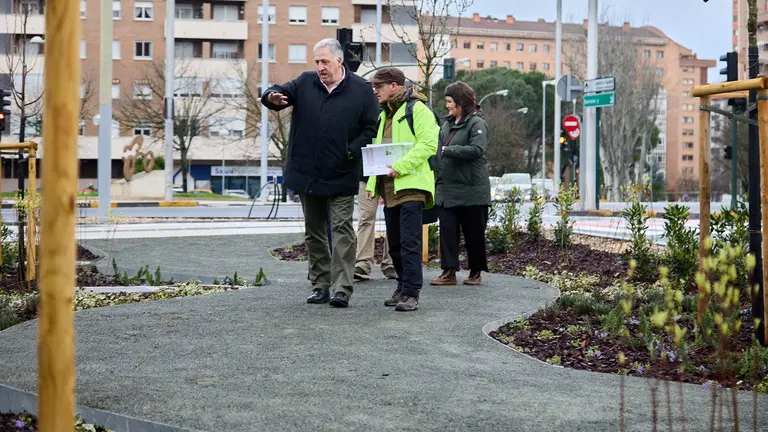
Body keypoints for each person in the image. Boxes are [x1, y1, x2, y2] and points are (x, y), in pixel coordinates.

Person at [261, 38, 379, 308]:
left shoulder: (362, 90)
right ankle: (320, 285)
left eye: (325, 61)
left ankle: (342, 288)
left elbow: (370, 128)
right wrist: (271, 97)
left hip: (341, 171)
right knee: (313, 231)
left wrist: (350, 151)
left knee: (342, 230)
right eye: (316, 62)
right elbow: (278, 92)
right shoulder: (305, 82)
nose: (320, 67)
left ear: (339, 61)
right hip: (307, 172)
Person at [365, 68, 439, 312]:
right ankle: (401, 285)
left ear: (394, 86)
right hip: (389, 189)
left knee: (410, 242)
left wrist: (401, 166)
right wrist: (372, 185)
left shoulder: (417, 110)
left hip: (412, 186)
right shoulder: (383, 115)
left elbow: (428, 144)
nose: (375, 91)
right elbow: (379, 152)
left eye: (379, 86)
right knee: (394, 245)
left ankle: (411, 292)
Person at [430, 81, 491, 286]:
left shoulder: (477, 123)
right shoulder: (446, 125)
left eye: (449, 101)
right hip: (447, 190)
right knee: (447, 232)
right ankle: (449, 272)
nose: (447, 105)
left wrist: (448, 151)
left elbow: (477, 150)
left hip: (472, 190)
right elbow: (437, 151)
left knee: (474, 233)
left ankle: (476, 271)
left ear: (460, 102)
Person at [354, 166, 397, 280]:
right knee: (365, 218)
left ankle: (391, 263)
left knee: (394, 218)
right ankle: (363, 263)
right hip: (366, 174)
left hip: (394, 174)